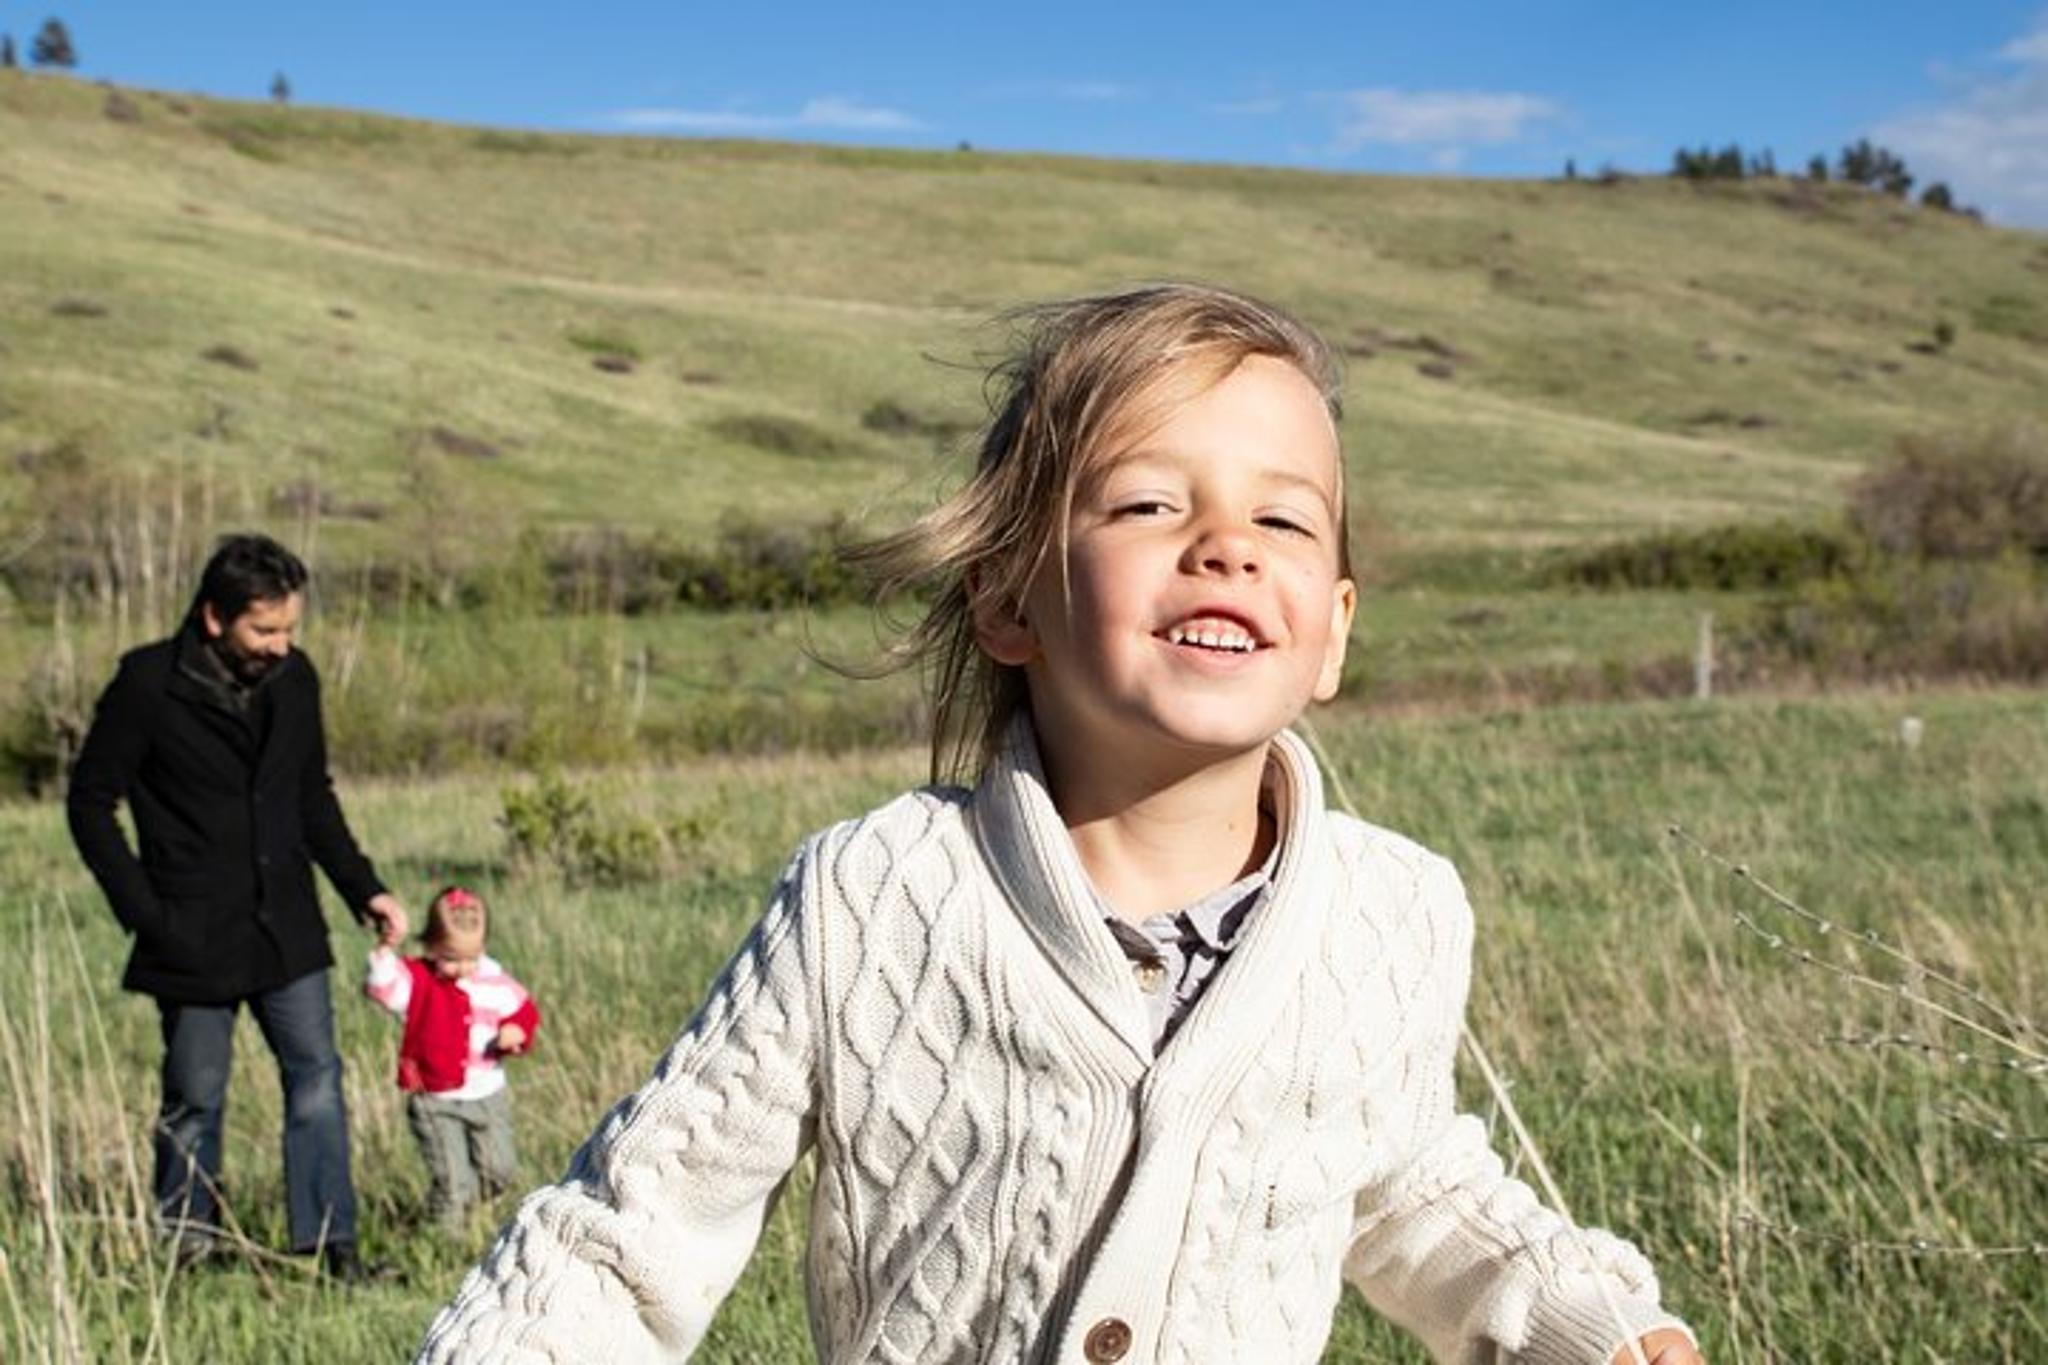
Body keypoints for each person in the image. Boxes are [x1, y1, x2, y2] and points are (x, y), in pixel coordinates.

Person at [418, 285, 1702, 1364]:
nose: (1224, 547)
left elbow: (1409, 1187)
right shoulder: (871, 896)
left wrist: (1583, 1324)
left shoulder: (1394, 913)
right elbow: (628, 1235)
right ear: (1006, 598)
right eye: (1149, 504)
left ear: (1335, 630)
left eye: (1282, 518)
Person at [67, 532, 408, 1282]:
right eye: (266, 628)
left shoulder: (295, 679)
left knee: (317, 1080)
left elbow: (311, 794)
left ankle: (329, 1248)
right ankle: (188, 1253)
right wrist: (146, 914)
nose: (282, 644)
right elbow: (90, 804)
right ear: (216, 617)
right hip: (189, 933)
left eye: (290, 627)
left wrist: (363, 886)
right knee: (195, 1097)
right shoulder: (147, 684)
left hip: (288, 925)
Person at [364, 885, 541, 1229]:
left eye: (470, 959)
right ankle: (446, 1240)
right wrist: (385, 950)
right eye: (450, 958)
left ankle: (463, 1209)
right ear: (430, 946)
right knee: (452, 1181)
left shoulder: (494, 981)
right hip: (435, 1099)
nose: (461, 968)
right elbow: (382, 989)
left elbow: (524, 1011)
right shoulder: (417, 980)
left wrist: (516, 1033)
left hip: (488, 1095)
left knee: (499, 1171)